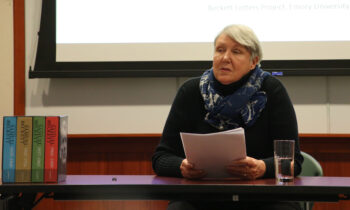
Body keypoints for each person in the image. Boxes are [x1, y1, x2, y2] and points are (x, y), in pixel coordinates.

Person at [152, 24, 303, 210]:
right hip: (201, 198)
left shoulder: (272, 91)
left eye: (237, 52)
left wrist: (262, 167)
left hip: (263, 198)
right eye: (220, 50)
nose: (225, 58)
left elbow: (293, 160)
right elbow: (161, 158)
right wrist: (181, 166)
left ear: (253, 61)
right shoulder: (190, 92)